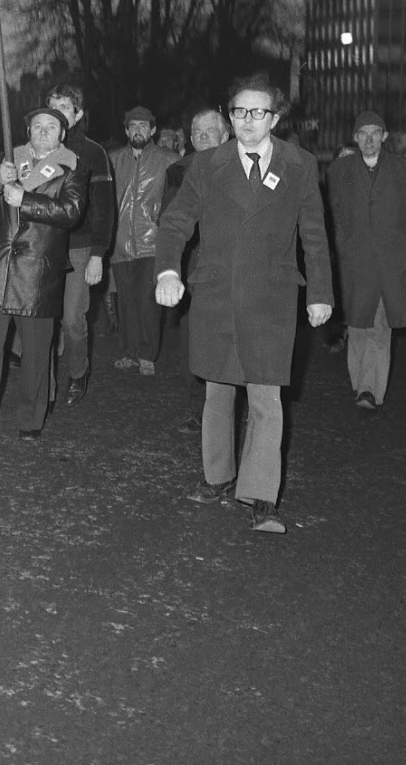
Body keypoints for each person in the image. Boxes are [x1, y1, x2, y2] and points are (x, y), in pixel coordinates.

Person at [155, 74, 333, 535]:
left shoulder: (300, 164)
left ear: (274, 118)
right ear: (229, 115)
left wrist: (320, 293)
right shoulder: (207, 163)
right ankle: (217, 476)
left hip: (272, 296)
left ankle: (260, 496)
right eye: (238, 112)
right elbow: (175, 223)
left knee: (266, 396)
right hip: (217, 291)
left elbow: (314, 235)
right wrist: (168, 271)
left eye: (257, 112)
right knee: (218, 391)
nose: (247, 121)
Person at [0, 105, 87, 446]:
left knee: (37, 350)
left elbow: (70, 212)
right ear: (27, 131)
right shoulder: (8, 160)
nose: (43, 132)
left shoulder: (72, 168)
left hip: (37, 273)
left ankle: (30, 420)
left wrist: (25, 200)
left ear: (62, 133)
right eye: (37, 126)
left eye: (51, 127)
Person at [325, 111, 406, 412]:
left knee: (381, 326)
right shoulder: (339, 170)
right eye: (362, 134)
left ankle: (370, 389)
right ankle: (360, 382)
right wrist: (343, 245)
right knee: (357, 325)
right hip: (355, 262)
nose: (369, 139)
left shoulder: (404, 168)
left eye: (375, 133)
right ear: (355, 138)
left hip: (392, 261)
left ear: (384, 136)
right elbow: (336, 213)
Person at [46, 84, 114, 405]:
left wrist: (98, 254)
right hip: (45, 245)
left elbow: (104, 208)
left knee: (73, 317)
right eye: (53, 105)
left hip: (80, 246)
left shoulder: (92, 152)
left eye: (65, 106)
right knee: (44, 313)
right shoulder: (37, 146)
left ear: (78, 114)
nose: (58, 111)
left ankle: (77, 372)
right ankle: (42, 379)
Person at [167, 107, 231, 432]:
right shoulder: (178, 171)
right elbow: (170, 220)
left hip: (233, 273)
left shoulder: (243, 171)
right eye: (197, 133)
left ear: (226, 136)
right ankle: (200, 408)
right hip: (193, 270)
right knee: (194, 340)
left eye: (210, 132)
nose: (203, 138)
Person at [108, 105, 180, 376]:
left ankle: (148, 354)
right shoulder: (113, 160)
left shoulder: (168, 160)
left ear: (152, 130)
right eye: (133, 126)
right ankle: (128, 351)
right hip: (120, 242)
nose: (138, 130)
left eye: (143, 126)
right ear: (126, 130)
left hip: (153, 242)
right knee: (125, 300)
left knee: (149, 301)